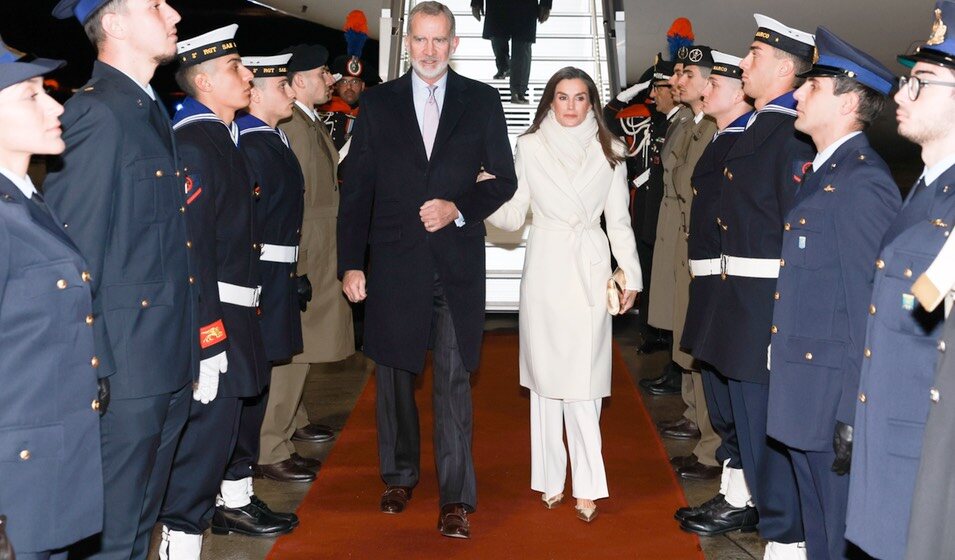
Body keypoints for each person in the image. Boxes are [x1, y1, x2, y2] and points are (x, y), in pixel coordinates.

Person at [338, 1, 517, 539]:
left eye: (440, 40)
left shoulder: (482, 101)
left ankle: (456, 498)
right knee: (393, 376)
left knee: (455, 381)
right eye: (420, 40)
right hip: (393, 263)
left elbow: (503, 179)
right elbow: (359, 190)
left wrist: (457, 206)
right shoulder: (377, 103)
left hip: (457, 263)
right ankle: (398, 475)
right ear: (408, 43)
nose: (430, 50)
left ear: (455, 44)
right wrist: (351, 263)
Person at [45, 1, 202, 558]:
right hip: (125, 370)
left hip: (164, 361)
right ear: (113, 24)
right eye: (155, 4)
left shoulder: (147, 108)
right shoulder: (99, 114)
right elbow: (72, 256)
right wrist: (94, 366)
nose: (173, 12)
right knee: (112, 538)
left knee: (137, 529)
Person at [765, 26, 900, 560]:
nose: (797, 93)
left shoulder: (862, 184)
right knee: (820, 533)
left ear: (846, 100)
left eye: (812, 87)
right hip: (805, 394)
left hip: (830, 403)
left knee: (838, 537)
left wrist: (852, 410)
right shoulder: (824, 175)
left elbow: (872, 305)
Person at [486, 66, 641, 523]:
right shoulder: (529, 147)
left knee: (586, 381)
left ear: (592, 102)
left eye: (579, 97)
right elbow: (514, 215)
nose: (571, 106)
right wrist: (485, 191)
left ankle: (589, 484)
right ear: (549, 102)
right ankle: (551, 479)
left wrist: (629, 272)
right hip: (547, 269)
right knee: (547, 381)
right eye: (562, 97)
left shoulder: (612, 149)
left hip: (590, 269)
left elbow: (619, 221)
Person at [159, 26, 292, 551]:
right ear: (206, 82)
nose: (249, 75)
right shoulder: (195, 143)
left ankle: (207, 519)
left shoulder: (222, 136)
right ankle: (179, 541)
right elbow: (191, 251)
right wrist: (207, 332)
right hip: (215, 312)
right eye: (237, 67)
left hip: (238, 307)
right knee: (204, 441)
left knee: (228, 426)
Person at [691, 14, 816, 557]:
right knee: (740, 423)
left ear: (785, 69)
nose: (744, 64)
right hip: (732, 301)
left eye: (754, 57)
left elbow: (796, 238)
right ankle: (764, 520)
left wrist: (781, 324)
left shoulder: (789, 135)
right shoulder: (765, 127)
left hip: (761, 306)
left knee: (768, 438)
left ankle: (786, 539)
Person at [846, 2, 955, 557]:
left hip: (930, 444)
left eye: (923, 83)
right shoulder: (929, 185)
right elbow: (919, 304)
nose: (901, 94)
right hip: (893, 430)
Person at [0, 38, 103, 560]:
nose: (56, 106)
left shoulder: (24, 199)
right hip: (14, 487)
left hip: (45, 473)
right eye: (30, 96)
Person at [676, 49, 758, 535]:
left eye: (714, 85)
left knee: (735, 405)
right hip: (709, 281)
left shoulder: (746, 140)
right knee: (721, 399)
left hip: (732, 285)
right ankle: (731, 492)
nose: (704, 90)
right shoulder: (721, 136)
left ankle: (740, 499)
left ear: (737, 93)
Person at [259, 44, 346, 481]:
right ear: (296, 82)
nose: (329, 79)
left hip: (318, 240)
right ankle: (270, 446)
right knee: (293, 348)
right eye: (321, 72)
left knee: (305, 343)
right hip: (306, 246)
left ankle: (291, 421)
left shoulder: (307, 120)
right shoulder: (291, 125)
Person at [239, 54, 316, 485]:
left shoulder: (272, 138)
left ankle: (261, 458)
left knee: (269, 368)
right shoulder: (251, 144)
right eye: (282, 86)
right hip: (263, 275)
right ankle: (253, 464)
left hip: (279, 272)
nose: (290, 92)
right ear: (257, 93)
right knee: (258, 375)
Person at [659, 45, 721, 481]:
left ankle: (710, 445)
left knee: (697, 342)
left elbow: (687, 178)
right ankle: (698, 424)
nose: (677, 81)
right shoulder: (692, 122)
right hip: (678, 239)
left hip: (694, 243)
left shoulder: (711, 126)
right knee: (685, 335)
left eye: (687, 75)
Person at [643, 50, 694, 398]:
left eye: (682, 75)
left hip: (681, 228)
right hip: (662, 221)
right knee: (671, 308)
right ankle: (676, 375)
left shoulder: (693, 124)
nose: (674, 85)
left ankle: (680, 378)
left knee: (682, 310)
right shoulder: (676, 123)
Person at [470, 0, 551, 104]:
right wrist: (476, 2)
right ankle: (504, 66)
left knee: (522, 45)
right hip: (498, 4)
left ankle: (518, 91)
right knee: (497, 37)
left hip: (526, 5)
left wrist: (546, 4)